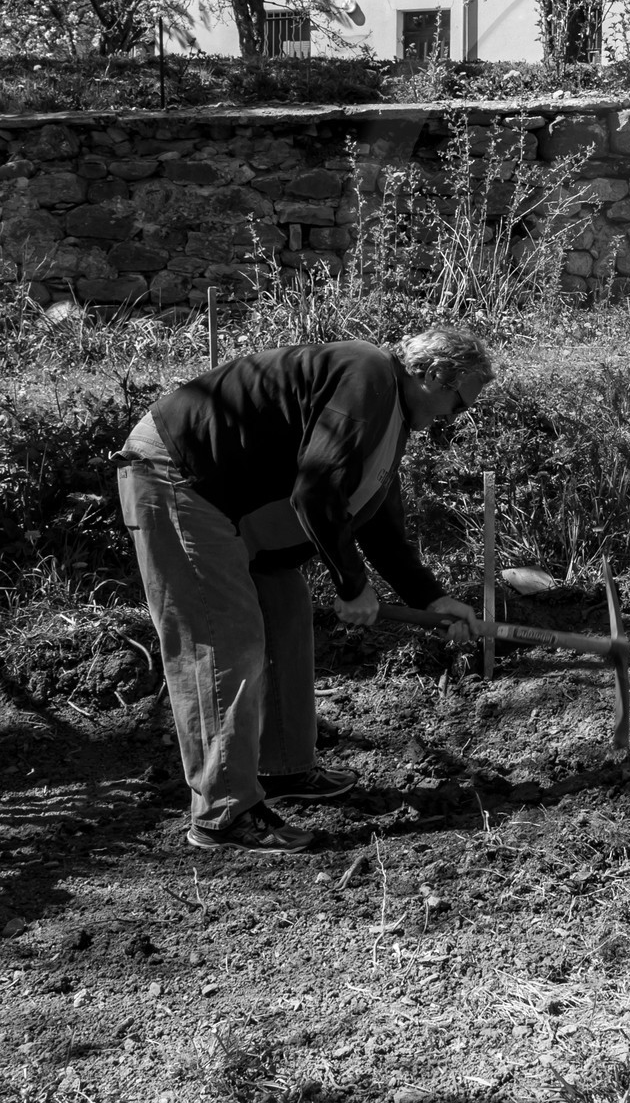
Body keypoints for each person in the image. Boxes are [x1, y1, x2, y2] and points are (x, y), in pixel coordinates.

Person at [115, 328, 489, 853]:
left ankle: (284, 767)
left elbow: (378, 523)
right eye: (459, 402)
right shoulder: (368, 374)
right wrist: (352, 584)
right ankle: (224, 813)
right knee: (224, 640)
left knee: (286, 610)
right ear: (433, 375)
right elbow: (317, 489)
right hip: (180, 477)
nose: (456, 415)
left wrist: (430, 597)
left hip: (230, 503)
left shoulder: (390, 417)